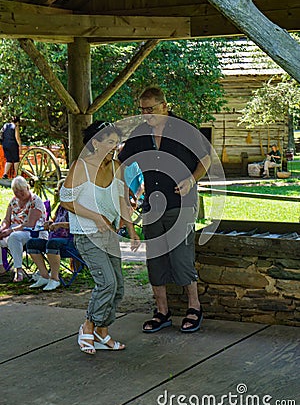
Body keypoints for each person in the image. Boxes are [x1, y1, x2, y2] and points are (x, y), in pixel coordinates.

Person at [119, 86, 211, 333]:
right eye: (142, 110)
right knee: (155, 261)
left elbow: (206, 159)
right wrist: (126, 190)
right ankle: (162, 311)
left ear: (164, 106)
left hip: (182, 204)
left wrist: (191, 179)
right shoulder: (140, 132)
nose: (146, 114)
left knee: (181, 257)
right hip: (153, 207)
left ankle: (194, 307)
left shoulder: (184, 129)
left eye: (150, 109)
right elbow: (122, 162)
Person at [60, 121, 140, 355]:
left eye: (116, 143)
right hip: (87, 234)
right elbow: (66, 200)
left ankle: (102, 332)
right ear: (95, 143)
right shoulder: (80, 166)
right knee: (107, 283)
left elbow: (123, 202)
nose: (115, 147)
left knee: (119, 288)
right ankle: (88, 326)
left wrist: (132, 232)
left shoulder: (117, 166)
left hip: (110, 234)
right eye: (110, 142)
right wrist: (96, 217)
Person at [26, 180, 73, 291]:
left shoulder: (74, 207)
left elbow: (78, 226)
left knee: (52, 243)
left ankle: (55, 279)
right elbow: (55, 221)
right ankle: (44, 276)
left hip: (70, 241)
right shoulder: (60, 207)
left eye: (60, 190)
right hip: (55, 239)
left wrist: (59, 225)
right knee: (31, 243)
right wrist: (50, 224)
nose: (57, 193)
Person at [0, 176, 47, 281]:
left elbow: (30, 223)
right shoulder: (13, 201)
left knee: (14, 237)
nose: (19, 194)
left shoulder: (35, 200)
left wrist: (10, 231)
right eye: (16, 192)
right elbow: (7, 220)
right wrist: (2, 229)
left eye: (21, 191)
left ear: (27, 188)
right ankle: (1, 268)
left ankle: (19, 270)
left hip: (33, 232)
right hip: (14, 230)